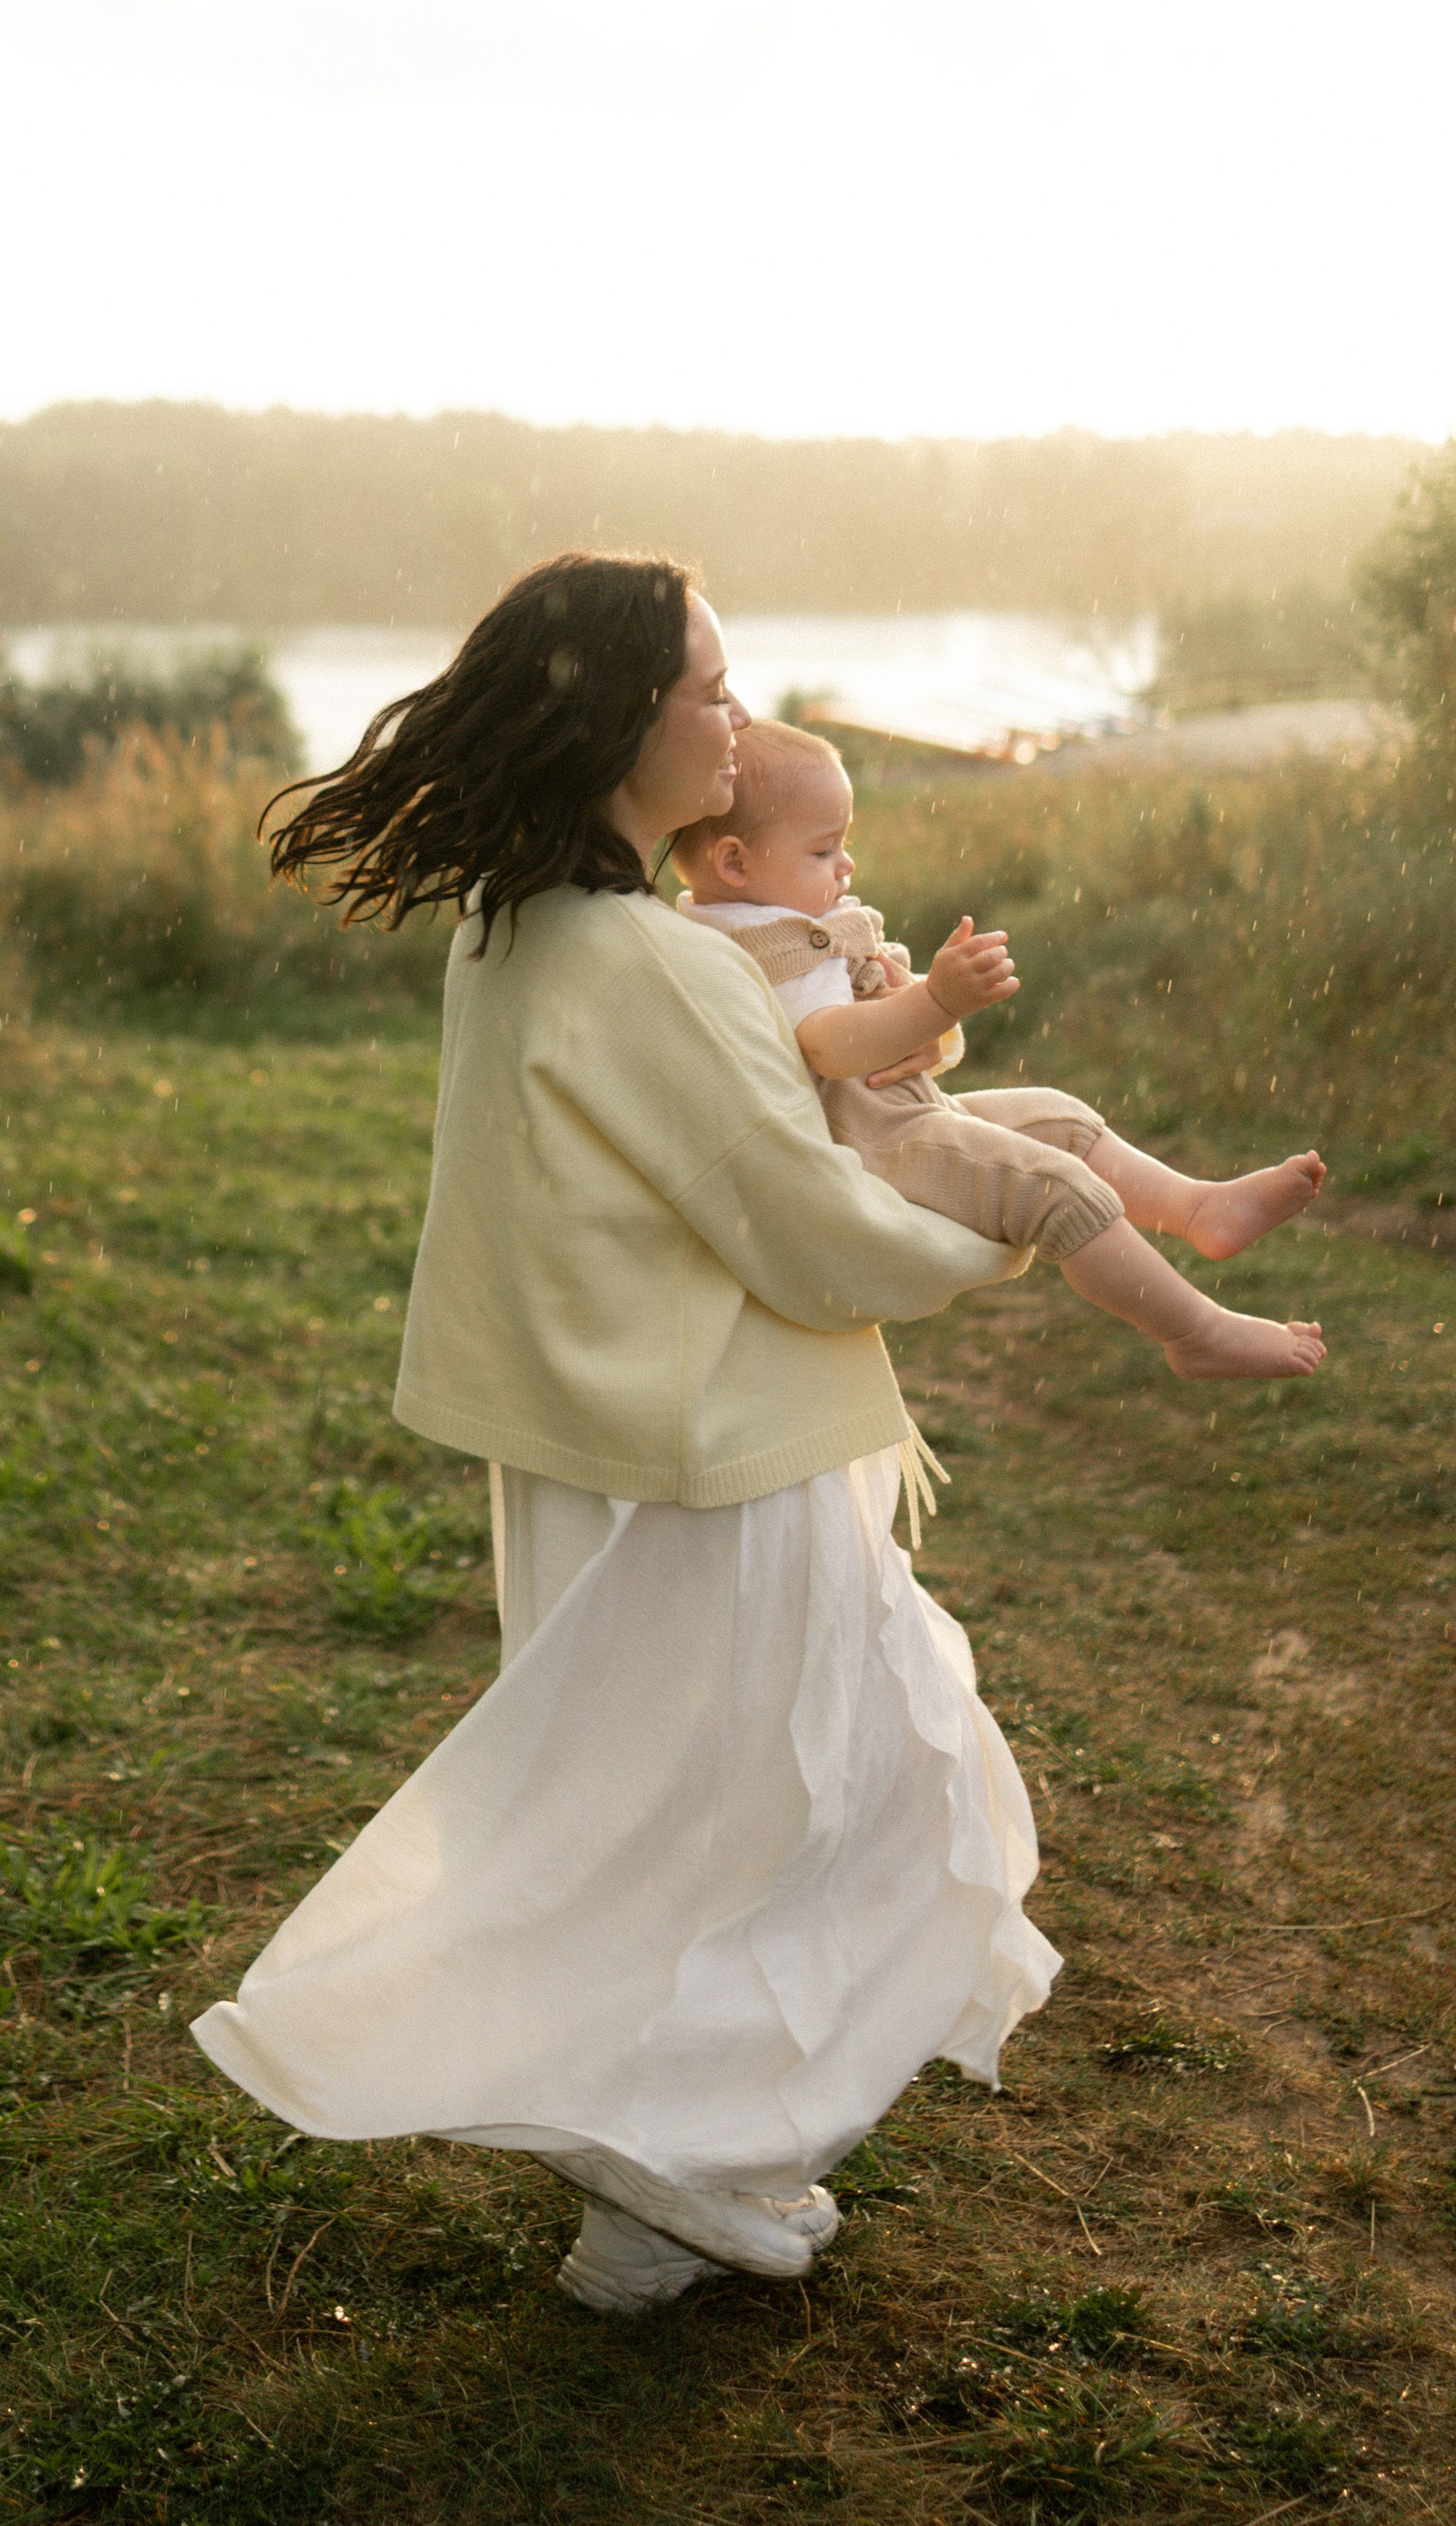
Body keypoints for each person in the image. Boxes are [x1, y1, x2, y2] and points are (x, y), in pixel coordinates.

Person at [190, 553, 1063, 2318]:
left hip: (601, 1456)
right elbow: (799, 1223)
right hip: (709, 1477)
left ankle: (664, 2190)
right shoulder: (646, 960)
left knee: (677, 1815)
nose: (733, 723)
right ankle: (660, 2147)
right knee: (864, 1799)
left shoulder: (512, 929)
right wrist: (1017, 1219)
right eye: (706, 693)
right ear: (617, 721)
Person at [672, 720, 1326, 1384]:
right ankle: (1194, 1331)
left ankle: (1195, 1209)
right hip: (873, 1148)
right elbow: (830, 1046)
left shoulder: (765, 918)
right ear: (734, 862)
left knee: (1057, 1116)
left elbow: (861, 1029)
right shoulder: (771, 945)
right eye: (823, 851)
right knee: (1057, 1187)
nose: (846, 865)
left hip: (904, 1120)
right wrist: (937, 1002)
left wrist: (927, 997)